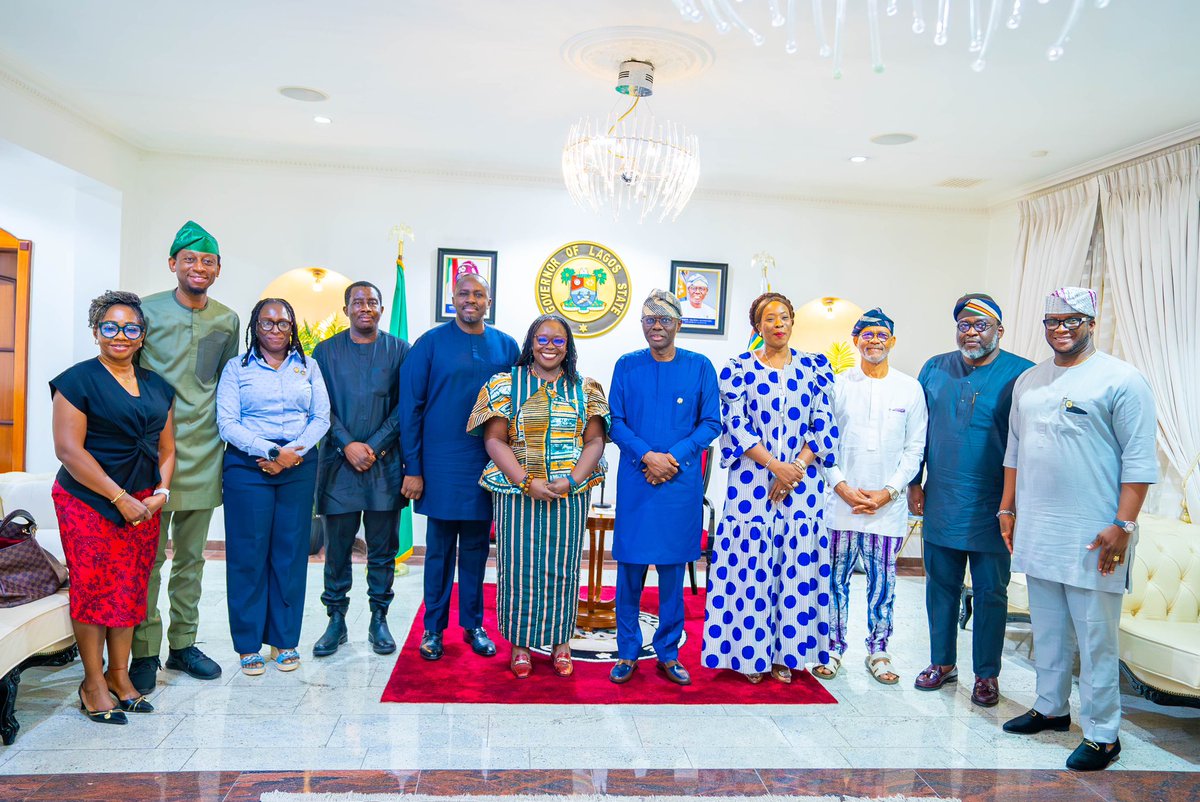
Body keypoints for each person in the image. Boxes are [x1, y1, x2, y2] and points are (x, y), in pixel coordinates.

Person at [999, 287, 1156, 771]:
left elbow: (1139, 459)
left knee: (1095, 637)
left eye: (1071, 320)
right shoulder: (1029, 381)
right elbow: (1015, 451)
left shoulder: (1122, 380)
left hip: (1096, 534)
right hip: (1039, 527)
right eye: (1051, 321)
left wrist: (1123, 525)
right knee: (1047, 629)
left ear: (1091, 321)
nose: (1060, 329)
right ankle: (1050, 709)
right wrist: (1007, 509)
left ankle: (1104, 734)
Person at [701, 292, 840, 684]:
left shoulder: (816, 368)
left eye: (783, 317)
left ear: (793, 322)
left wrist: (794, 468)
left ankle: (788, 656)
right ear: (757, 327)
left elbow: (824, 424)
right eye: (768, 319)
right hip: (751, 482)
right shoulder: (737, 368)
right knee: (751, 566)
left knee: (795, 567)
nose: (777, 324)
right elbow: (735, 423)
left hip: (802, 484)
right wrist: (775, 466)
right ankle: (750, 654)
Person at [51, 291, 176, 723]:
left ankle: (120, 677)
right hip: (88, 499)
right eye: (110, 327)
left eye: (130, 328)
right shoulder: (77, 381)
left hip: (143, 503)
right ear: (96, 332)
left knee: (129, 589)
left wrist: (161, 493)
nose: (120, 335)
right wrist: (118, 497)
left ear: (142, 336)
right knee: (94, 588)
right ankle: (92, 684)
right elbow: (69, 450)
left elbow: (167, 447)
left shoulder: (159, 386)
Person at [908, 293, 1034, 707]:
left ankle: (986, 675)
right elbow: (916, 434)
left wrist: (1014, 503)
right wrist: (914, 481)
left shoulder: (1023, 375)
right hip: (942, 497)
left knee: (991, 593)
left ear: (1000, 329)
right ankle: (942, 663)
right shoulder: (934, 368)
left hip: (995, 506)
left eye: (981, 325)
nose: (972, 332)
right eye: (964, 324)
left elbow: (1030, 445)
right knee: (939, 586)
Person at [467, 314, 609, 678]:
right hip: (516, 491)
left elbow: (594, 441)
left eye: (558, 340)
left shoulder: (586, 388)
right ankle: (520, 645)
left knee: (562, 568)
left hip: (569, 493)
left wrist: (573, 480)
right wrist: (525, 480)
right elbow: (494, 439)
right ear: (530, 342)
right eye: (542, 339)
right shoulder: (505, 384)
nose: (550, 346)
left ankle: (562, 643)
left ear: (568, 346)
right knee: (519, 568)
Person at [130, 220, 239, 695]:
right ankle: (143, 651)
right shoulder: (144, 312)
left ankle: (183, 645)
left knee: (191, 559)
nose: (198, 267)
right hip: (149, 450)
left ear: (218, 270)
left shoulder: (228, 320)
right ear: (172, 263)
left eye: (208, 260)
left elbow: (226, 383)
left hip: (205, 448)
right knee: (147, 561)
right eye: (189, 259)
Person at [399, 273, 519, 661]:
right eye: (464, 294)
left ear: (489, 299)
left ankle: (473, 625)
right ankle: (433, 629)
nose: (471, 300)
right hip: (440, 466)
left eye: (478, 294)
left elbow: (519, 406)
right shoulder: (430, 344)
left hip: (488, 464)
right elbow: (410, 408)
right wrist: (413, 467)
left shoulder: (506, 345)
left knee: (476, 549)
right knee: (437, 551)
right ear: (453, 298)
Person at [607, 290, 721, 686]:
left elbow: (710, 423)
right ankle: (626, 652)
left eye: (665, 320)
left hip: (679, 482)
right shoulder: (626, 366)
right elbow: (615, 422)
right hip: (638, 482)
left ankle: (669, 653)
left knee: (673, 572)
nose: (656, 327)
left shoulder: (700, 367)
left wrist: (670, 457)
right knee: (630, 571)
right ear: (642, 325)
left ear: (679, 324)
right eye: (649, 320)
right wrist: (647, 457)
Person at [216, 298, 330, 675]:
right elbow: (227, 423)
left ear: (292, 327)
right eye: (267, 323)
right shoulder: (237, 368)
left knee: (290, 554)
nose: (275, 330)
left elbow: (321, 418)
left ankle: (284, 640)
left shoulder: (308, 367)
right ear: (255, 326)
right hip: (248, 467)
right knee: (248, 555)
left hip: (298, 466)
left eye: (283, 323)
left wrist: (291, 454)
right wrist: (269, 450)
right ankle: (248, 644)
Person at [824, 308, 927, 684]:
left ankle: (879, 650)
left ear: (893, 342)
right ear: (856, 341)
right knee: (834, 580)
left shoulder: (909, 388)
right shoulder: (836, 385)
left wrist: (888, 492)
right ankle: (832, 647)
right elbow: (822, 443)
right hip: (841, 504)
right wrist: (842, 487)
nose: (874, 341)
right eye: (866, 335)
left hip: (887, 508)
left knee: (883, 583)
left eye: (882, 335)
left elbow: (915, 449)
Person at [311, 281, 410, 657]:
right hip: (338, 465)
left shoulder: (400, 351)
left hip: (384, 468)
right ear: (346, 309)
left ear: (382, 309)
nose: (365, 308)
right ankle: (335, 621)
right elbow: (319, 406)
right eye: (358, 302)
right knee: (337, 550)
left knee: (382, 550)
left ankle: (378, 619)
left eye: (372, 302)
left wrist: (374, 445)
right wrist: (346, 444)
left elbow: (406, 406)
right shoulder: (325, 351)